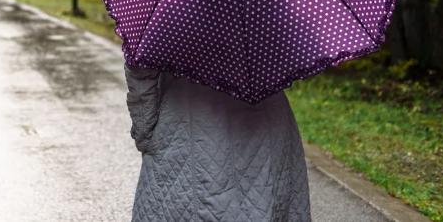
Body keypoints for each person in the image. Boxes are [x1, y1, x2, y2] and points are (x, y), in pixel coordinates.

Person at [125, 64, 311, 222]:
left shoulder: (165, 24)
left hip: (188, 118)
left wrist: (145, 133)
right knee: (263, 202)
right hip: (267, 116)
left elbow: (140, 74)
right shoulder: (268, 23)